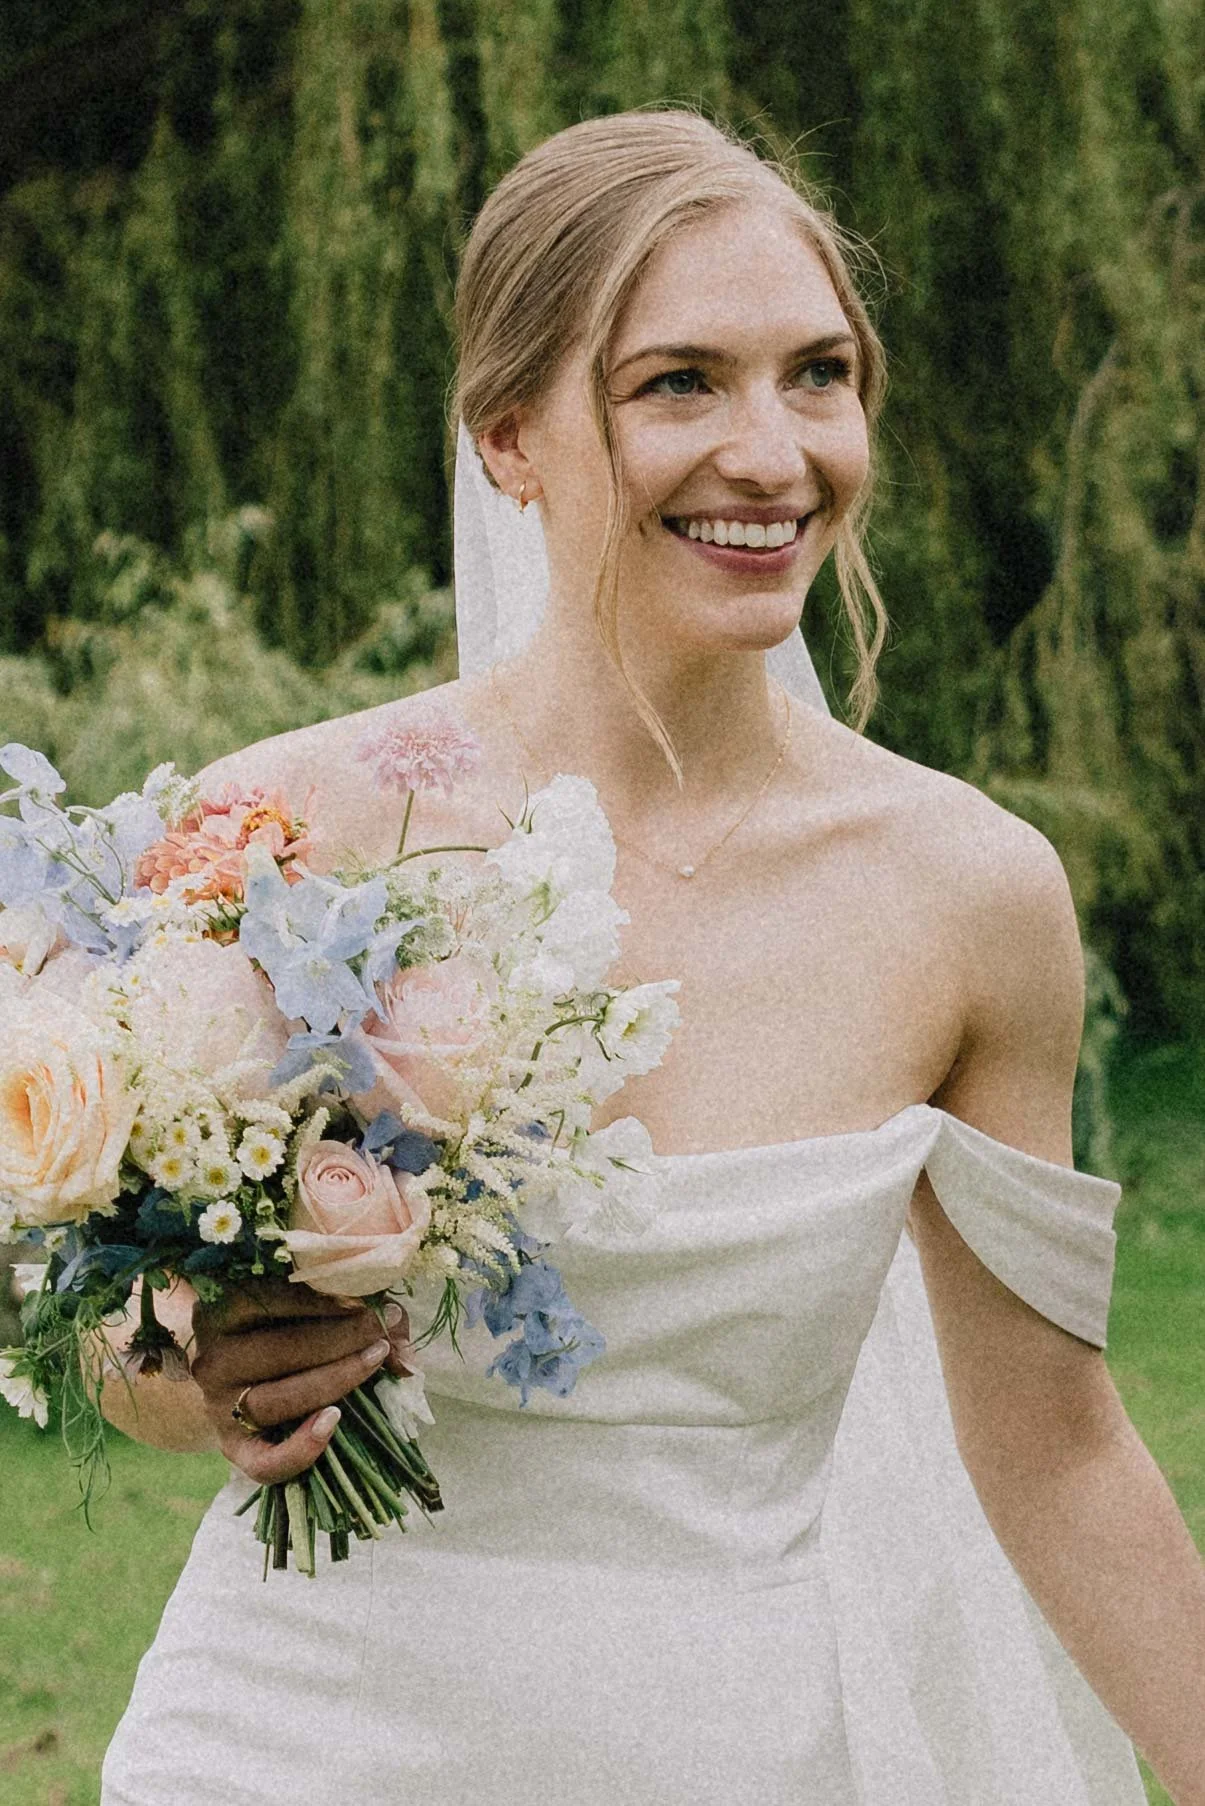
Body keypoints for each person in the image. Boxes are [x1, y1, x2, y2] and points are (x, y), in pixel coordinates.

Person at [99, 109, 1205, 1805]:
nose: (771, 453)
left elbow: (1055, 1452)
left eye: (817, 375)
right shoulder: (283, 840)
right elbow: (127, 1346)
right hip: (287, 1739)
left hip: (733, 1747)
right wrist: (200, 1374)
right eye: (679, 382)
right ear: (509, 437)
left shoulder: (973, 896)